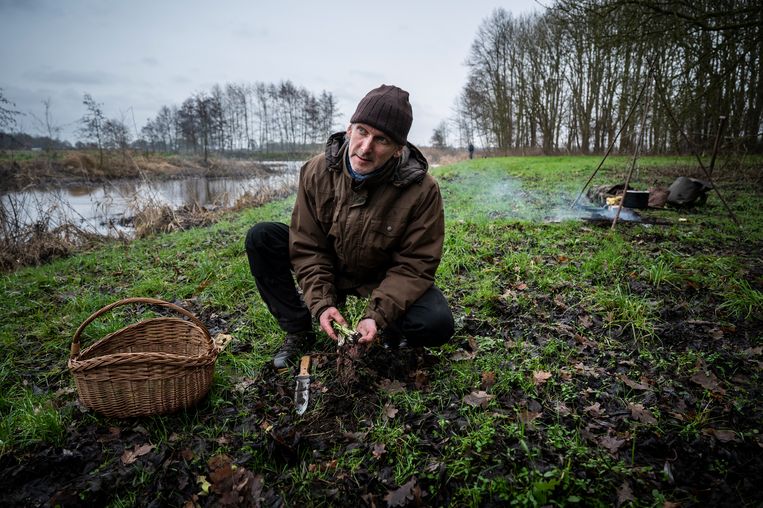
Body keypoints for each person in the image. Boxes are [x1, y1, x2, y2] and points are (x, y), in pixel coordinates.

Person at [245, 84, 455, 368]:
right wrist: (321, 303)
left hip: (379, 274)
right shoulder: (315, 171)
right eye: (362, 132)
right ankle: (298, 330)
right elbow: (308, 246)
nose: (366, 148)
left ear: (397, 150)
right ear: (349, 129)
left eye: (381, 140)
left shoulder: (422, 190)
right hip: (332, 262)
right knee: (262, 237)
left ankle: (392, 329)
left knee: (436, 323)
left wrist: (376, 316)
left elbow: (414, 265)